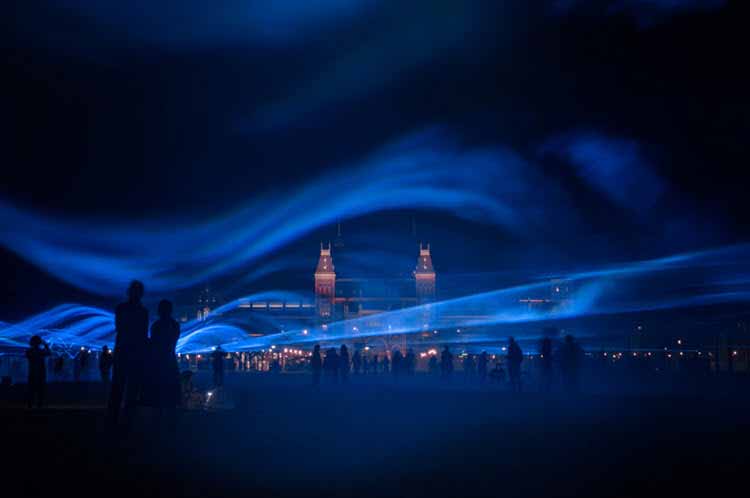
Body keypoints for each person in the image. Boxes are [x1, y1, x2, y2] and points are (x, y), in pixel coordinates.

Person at [108, 280, 149, 426]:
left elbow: (120, 328)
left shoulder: (122, 308)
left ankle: (115, 419)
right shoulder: (142, 311)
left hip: (124, 349)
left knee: (120, 385)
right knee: (128, 386)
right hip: (132, 351)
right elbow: (142, 334)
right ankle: (126, 419)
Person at [150, 299, 181, 420]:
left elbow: (153, 342)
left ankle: (158, 417)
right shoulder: (174, 325)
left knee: (159, 390)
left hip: (159, 361)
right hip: (169, 359)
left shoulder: (156, 325)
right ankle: (170, 418)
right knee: (170, 390)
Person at [25, 335, 51, 408]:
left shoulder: (31, 350)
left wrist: (45, 346)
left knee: (35, 389)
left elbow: (49, 353)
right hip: (37, 372)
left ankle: (34, 404)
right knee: (36, 389)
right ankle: (35, 404)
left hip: (36, 372)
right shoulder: (36, 351)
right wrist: (45, 345)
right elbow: (49, 353)